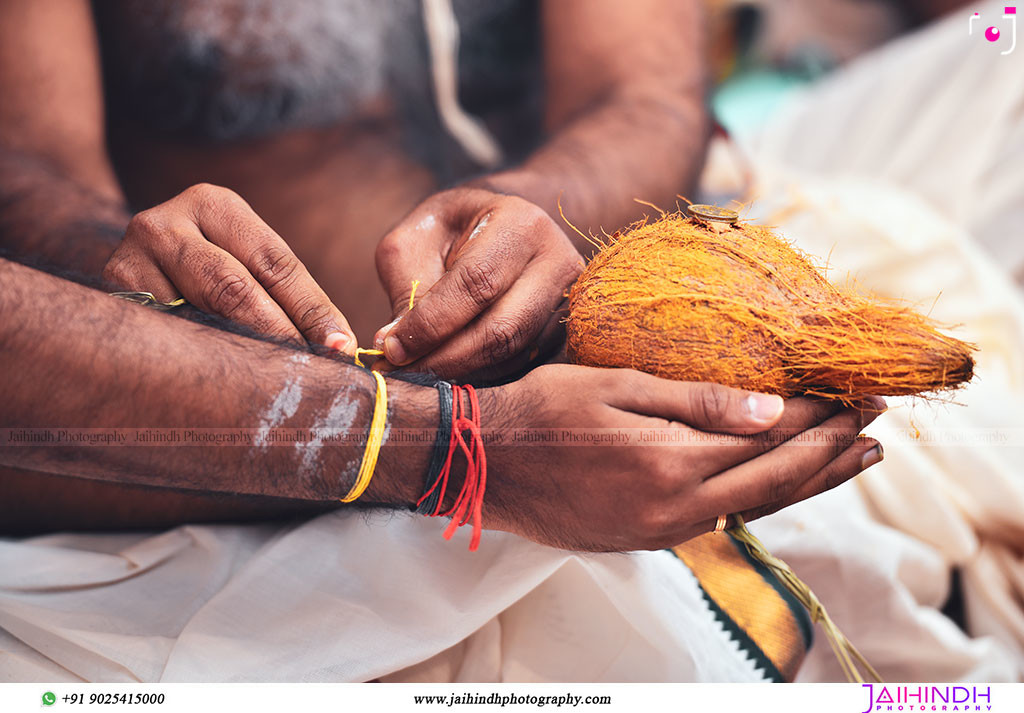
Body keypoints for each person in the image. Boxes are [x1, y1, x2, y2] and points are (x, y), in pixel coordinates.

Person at [0, 0, 883, 544]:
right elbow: (26, 168)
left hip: (626, 306)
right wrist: (111, 257)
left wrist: (536, 201)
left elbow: (644, 96)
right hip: (256, 422)